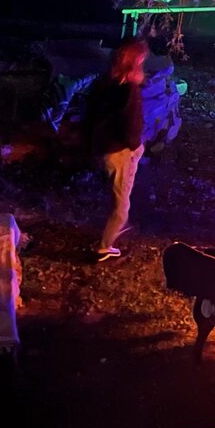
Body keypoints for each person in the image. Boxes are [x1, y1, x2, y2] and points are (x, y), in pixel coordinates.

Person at [89, 37, 147, 261]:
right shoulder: (129, 90)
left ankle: (120, 223)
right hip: (120, 150)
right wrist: (134, 145)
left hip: (110, 147)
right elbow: (130, 124)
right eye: (141, 61)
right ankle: (105, 247)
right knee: (121, 205)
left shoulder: (107, 83)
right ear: (134, 62)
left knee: (122, 192)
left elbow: (96, 116)